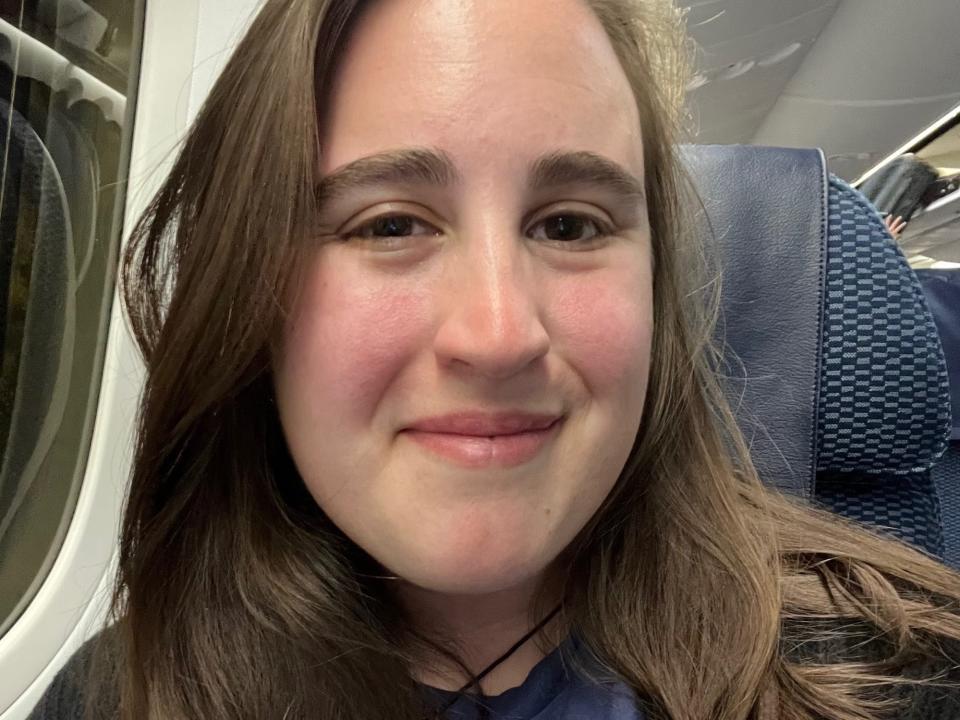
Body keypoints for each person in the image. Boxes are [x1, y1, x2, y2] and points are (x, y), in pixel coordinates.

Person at [27, 0, 960, 719]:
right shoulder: (120, 691)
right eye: (390, 223)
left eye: (569, 225)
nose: (500, 333)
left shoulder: (898, 672)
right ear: (253, 296)